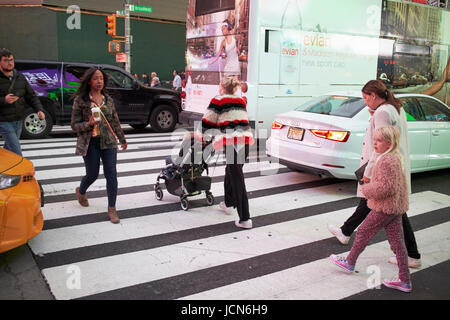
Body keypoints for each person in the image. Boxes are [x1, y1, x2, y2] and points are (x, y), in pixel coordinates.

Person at [327, 79, 422, 268]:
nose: (364, 102)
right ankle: (346, 231)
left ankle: (411, 255)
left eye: (365, 98)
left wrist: (369, 172)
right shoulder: (394, 107)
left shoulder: (383, 112)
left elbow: (380, 144)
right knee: (387, 209)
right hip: (393, 165)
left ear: (373, 95)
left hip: (383, 167)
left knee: (391, 211)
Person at [330, 126, 412, 293]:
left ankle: (350, 262)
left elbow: (385, 187)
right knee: (398, 243)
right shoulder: (393, 157)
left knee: (363, 232)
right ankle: (404, 280)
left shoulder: (387, 160)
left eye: (379, 140)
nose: (375, 143)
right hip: (395, 207)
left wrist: (366, 189)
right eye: (374, 139)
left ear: (389, 143)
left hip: (385, 206)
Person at [71, 67, 128, 224]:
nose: (99, 81)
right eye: (96, 78)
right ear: (89, 81)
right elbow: (74, 125)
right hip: (90, 143)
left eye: (101, 79)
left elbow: (115, 121)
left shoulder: (108, 100)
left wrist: (122, 139)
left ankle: (112, 208)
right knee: (92, 174)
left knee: (111, 174)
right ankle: (81, 191)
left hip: (108, 141)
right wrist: (88, 124)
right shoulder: (80, 100)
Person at [196, 76, 254, 229]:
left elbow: (207, 122)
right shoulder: (240, 100)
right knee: (232, 170)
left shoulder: (218, 100)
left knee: (237, 179)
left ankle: (245, 219)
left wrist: (201, 137)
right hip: (245, 141)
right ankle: (228, 204)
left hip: (232, 143)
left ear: (221, 87)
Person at [0, 48, 45, 156]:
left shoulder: (20, 77)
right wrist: (3, 100)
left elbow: (31, 96)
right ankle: (21, 172)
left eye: (11, 60)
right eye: (6, 60)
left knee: (8, 148)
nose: (10, 63)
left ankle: (6, 170)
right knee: (16, 150)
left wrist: (39, 109)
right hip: (3, 120)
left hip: (19, 119)